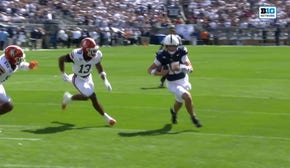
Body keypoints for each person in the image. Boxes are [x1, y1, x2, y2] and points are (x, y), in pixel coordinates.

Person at [58, 37, 116, 126]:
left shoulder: (97, 55)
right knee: (92, 96)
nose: (95, 52)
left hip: (88, 77)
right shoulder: (76, 54)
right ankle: (107, 118)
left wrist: (105, 81)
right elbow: (61, 59)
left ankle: (69, 98)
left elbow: (98, 66)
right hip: (78, 79)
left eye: (95, 50)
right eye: (92, 50)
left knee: (86, 97)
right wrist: (63, 73)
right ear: (85, 50)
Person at [147, 34, 202, 127]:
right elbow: (150, 70)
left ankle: (174, 112)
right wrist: (160, 73)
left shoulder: (181, 52)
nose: (171, 48)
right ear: (166, 46)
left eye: (173, 46)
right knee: (187, 97)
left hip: (183, 79)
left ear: (177, 45)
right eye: (169, 46)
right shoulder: (161, 55)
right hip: (172, 82)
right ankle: (193, 117)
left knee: (179, 101)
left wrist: (185, 68)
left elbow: (190, 67)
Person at [0, 45, 38, 116]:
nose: (20, 60)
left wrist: (29, 66)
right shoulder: (3, 66)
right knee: (8, 105)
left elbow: (20, 65)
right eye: (18, 59)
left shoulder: (10, 60)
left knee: (6, 105)